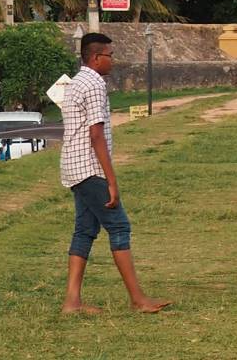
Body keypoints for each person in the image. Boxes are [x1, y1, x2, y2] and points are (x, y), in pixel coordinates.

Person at [59, 32, 172, 315]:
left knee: (85, 230)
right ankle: (138, 299)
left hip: (74, 167)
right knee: (119, 226)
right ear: (96, 58)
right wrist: (111, 180)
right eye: (110, 55)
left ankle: (72, 301)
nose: (113, 60)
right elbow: (95, 134)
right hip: (90, 168)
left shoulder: (76, 82)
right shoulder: (95, 84)